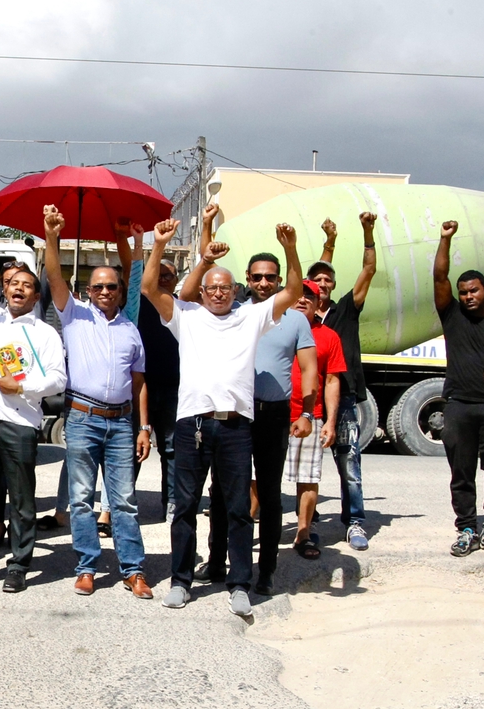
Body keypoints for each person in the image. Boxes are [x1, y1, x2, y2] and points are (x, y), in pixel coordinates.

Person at [147, 218, 303, 617]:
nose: (218, 293)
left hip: (235, 426)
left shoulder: (251, 317)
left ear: (236, 291)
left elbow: (293, 292)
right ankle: (180, 581)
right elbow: (150, 288)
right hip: (192, 426)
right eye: (211, 287)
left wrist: (290, 248)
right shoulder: (187, 317)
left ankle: (239, 584)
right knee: (184, 507)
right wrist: (160, 245)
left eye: (225, 287)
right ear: (202, 292)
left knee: (237, 508)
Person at [41, 205, 151, 598]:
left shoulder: (130, 330)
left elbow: (139, 383)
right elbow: (54, 275)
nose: (105, 291)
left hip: (121, 423)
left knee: (124, 501)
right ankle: (87, 565)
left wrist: (144, 427)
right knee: (82, 499)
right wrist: (52, 235)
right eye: (98, 286)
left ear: (120, 292)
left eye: (112, 287)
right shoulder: (74, 317)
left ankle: (133, 570)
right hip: (83, 418)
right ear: (89, 290)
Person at [0, 214, 67, 593]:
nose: (18, 290)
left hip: (20, 422)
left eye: (27, 286)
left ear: (36, 296)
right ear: (6, 290)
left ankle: (19, 564)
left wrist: (21, 386)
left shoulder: (46, 334)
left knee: (21, 498)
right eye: (13, 284)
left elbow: (58, 379)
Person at [207, 245, 317, 597]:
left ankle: (266, 569)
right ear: (247, 281)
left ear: (280, 280)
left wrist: (306, 412)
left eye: (271, 277)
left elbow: (310, 367)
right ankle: (216, 560)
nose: (264, 283)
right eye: (257, 277)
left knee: (269, 495)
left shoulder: (297, 319)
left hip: (274, 414)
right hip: (235, 412)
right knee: (224, 492)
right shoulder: (234, 313)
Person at [434, 220, 484, 557]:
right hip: (459, 406)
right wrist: (445, 240)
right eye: (464, 292)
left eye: (473, 291)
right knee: (461, 472)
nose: (468, 297)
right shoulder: (452, 315)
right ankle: (467, 527)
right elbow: (439, 277)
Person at [312, 213, 378, 551]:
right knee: (304, 469)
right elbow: (312, 274)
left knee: (348, 463)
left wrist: (367, 232)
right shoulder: (300, 316)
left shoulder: (346, 310)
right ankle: (305, 525)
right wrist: (329, 242)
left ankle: (355, 522)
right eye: (317, 281)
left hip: (345, 399)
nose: (322, 285)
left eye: (328, 280)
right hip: (308, 402)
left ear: (334, 286)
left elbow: (368, 271)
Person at [116, 220, 180, 520]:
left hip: (172, 388)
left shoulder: (182, 308)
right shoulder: (137, 303)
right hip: (138, 387)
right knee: (131, 448)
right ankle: (125, 503)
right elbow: (132, 271)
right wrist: (126, 238)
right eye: (160, 274)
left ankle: (172, 502)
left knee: (171, 448)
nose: (164, 279)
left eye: (169, 276)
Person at [285, 279, 344, 557]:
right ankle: (246, 533)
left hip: (310, 417)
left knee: (308, 478)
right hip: (272, 415)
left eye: (309, 295)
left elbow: (332, 380)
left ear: (318, 302)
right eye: (297, 293)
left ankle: (303, 532)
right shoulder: (273, 327)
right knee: (255, 477)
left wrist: (330, 422)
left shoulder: (329, 337)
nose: (302, 299)